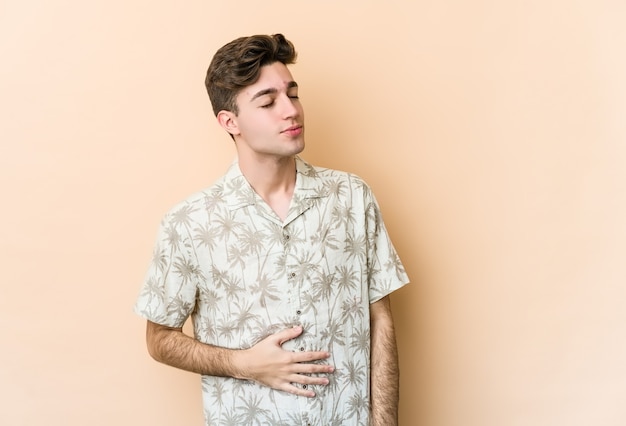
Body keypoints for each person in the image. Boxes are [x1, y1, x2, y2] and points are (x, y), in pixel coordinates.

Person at [134, 33, 409, 426]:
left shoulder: (351, 196)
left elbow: (380, 319)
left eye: (292, 94)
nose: (291, 111)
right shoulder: (189, 222)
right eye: (268, 101)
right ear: (230, 121)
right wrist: (243, 364)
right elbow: (158, 338)